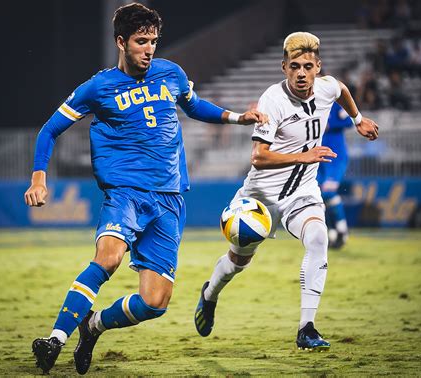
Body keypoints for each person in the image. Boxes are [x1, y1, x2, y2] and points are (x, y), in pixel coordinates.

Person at [25, 3, 267, 375]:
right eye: (141, 41)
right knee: (108, 257)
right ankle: (55, 339)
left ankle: (92, 327)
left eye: (153, 40)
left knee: (155, 302)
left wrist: (237, 117)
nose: (149, 48)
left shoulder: (171, 74)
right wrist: (39, 177)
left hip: (169, 198)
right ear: (121, 42)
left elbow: (195, 106)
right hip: (125, 192)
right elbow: (49, 129)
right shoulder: (98, 87)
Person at [194, 32, 378, 350]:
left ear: (318, 67)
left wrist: (358, 119)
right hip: (260, 197)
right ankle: (209, 295)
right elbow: (258, 157)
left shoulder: (327, 86)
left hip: (302, 193)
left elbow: (343, 91)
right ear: (284, 67)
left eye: (308, 65)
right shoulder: (272, 100)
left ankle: (306, 328)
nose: (302, 73)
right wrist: (303, 156)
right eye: (295, 66)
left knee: (319, 238)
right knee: (238, 262)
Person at [317, 102, 354, 249]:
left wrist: (329, 124)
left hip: (335, 156)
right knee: (318, 195)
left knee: (328, 192)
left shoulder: (336, 103)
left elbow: (348, 120)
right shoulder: (310, 104)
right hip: (318, 157)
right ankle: (331, 233)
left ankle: (342, 230)